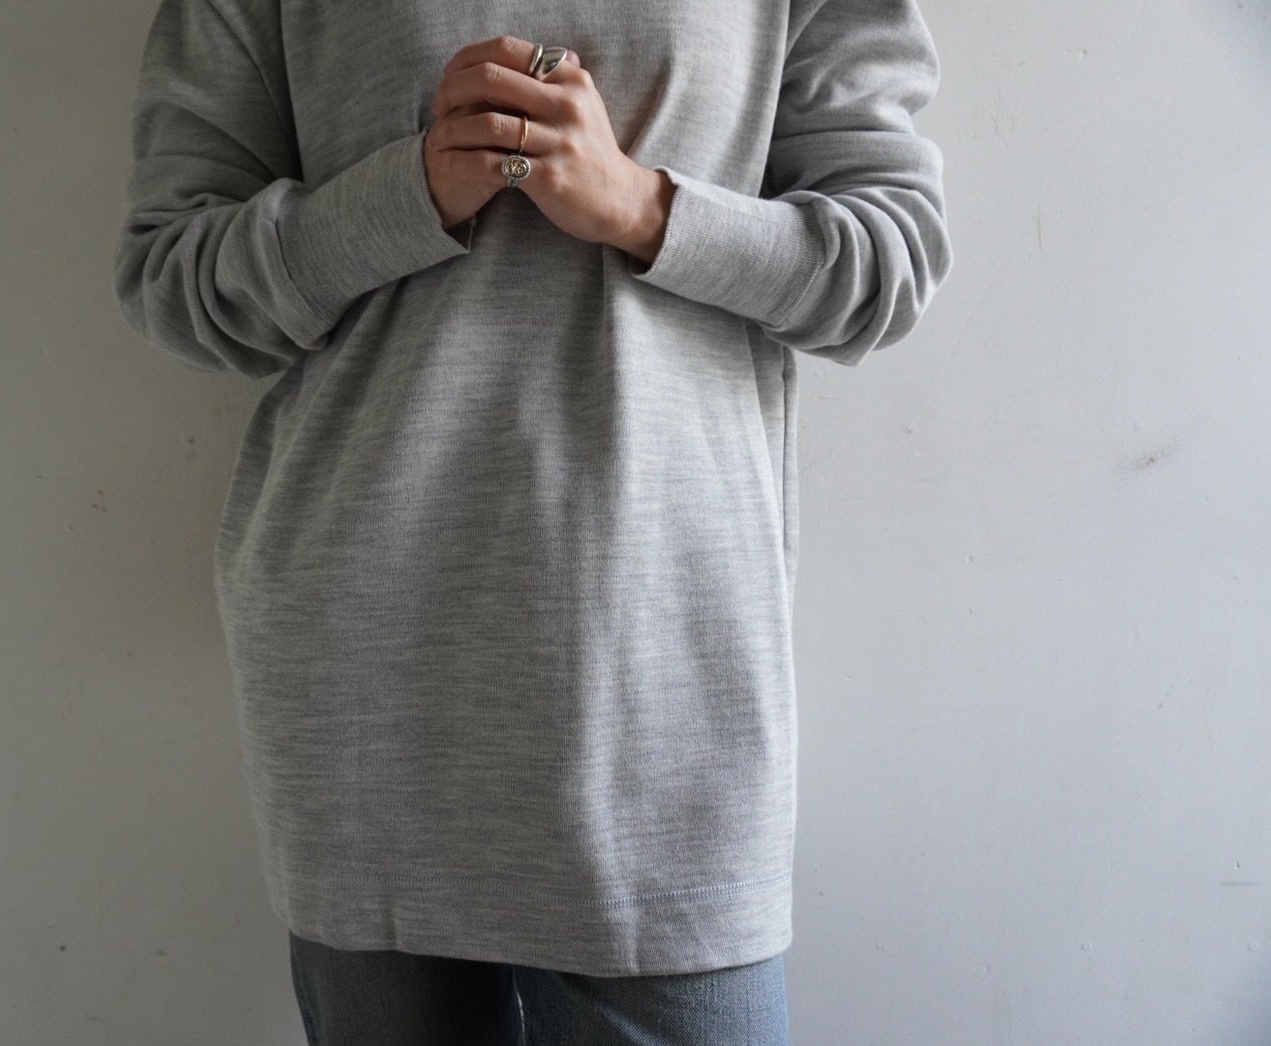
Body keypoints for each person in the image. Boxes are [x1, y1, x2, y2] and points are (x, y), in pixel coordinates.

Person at [112, 0, 953, 1040]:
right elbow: (173, 275)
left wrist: (642, 207)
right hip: (365, 671)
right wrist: (407, 193)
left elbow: (886, 260)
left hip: (661, 667)